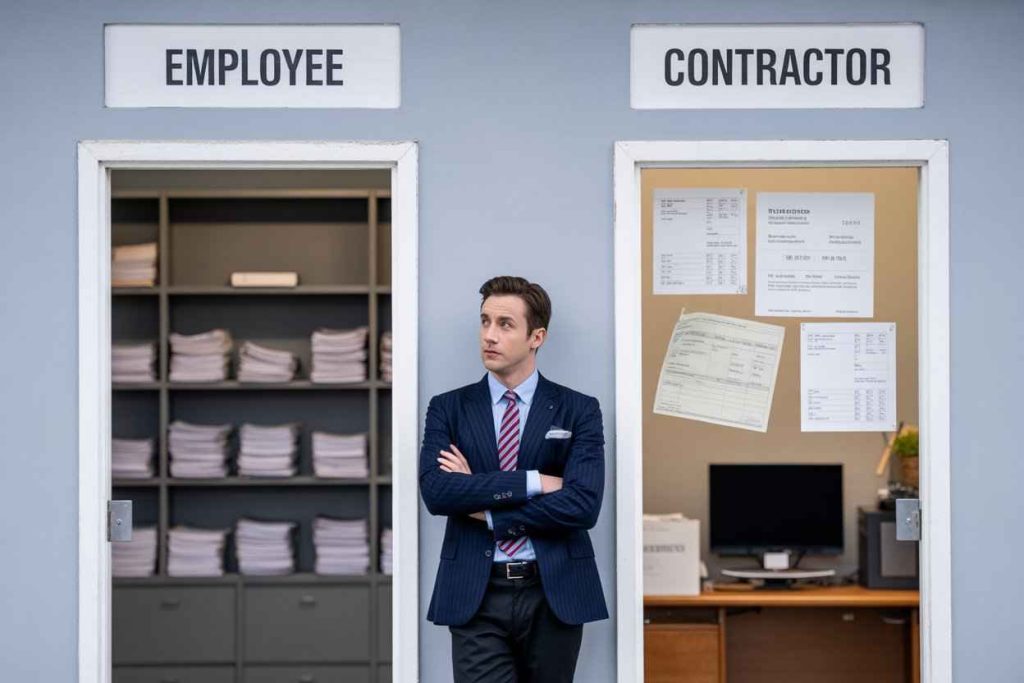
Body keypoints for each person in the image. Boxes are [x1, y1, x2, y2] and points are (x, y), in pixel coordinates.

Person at [419, 275, 608, 683]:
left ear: (536, 337)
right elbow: (437, 492)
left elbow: (583, 505)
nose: (489, 335)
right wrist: (535, 481)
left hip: (553, 589)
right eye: (485, 321)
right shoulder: (448, 408)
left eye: (505, 324)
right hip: (476, 591)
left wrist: (489, 513)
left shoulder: (579, 410)